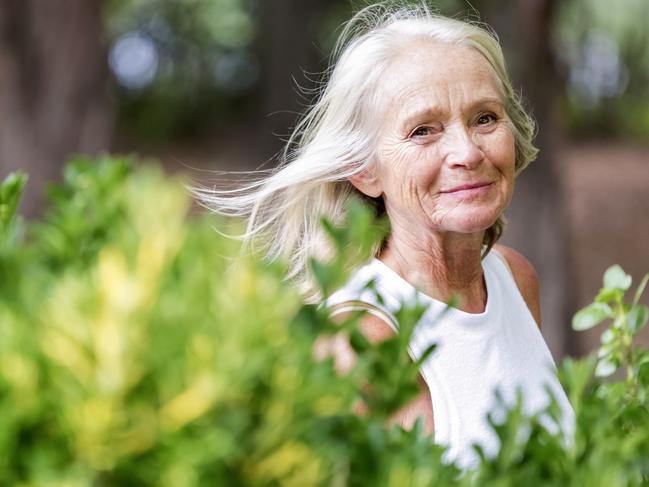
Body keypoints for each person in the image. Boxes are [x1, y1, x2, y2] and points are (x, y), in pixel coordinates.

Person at [196, 1, 574, 470]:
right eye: (423, 130)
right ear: (364, 170)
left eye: (485, 118)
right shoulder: (356, 340)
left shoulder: (516, 280)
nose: (467, 152)